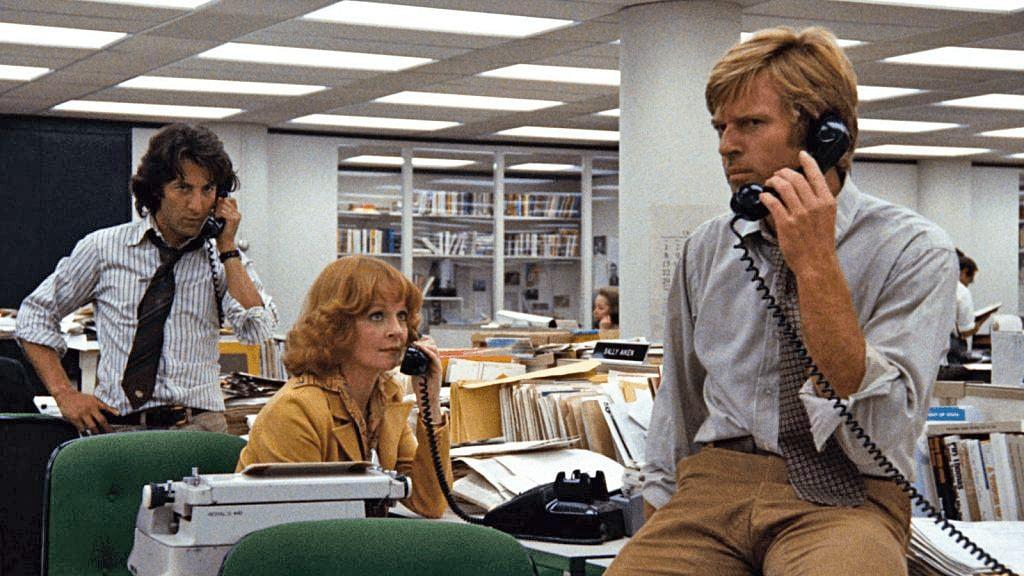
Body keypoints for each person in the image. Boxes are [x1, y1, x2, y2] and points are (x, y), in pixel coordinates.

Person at [608, 27, 957, 576]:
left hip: (846, 491)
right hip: (715, 484)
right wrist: (661, 507)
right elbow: (681, 396)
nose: (727, 144)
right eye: (721, 127)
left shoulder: (914, 250)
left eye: (750, 124)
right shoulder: (709, 246)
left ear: (825, 134)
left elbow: (878, 434)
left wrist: (815, 261)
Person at [17, 124, 277, 434]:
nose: (196, 206)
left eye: (207, 190)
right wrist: (64, 394)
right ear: (156, 190)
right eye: (183, 188)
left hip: (198, 426)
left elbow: (257, 330)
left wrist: (228, 248)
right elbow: (35, 315)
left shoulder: (221, 258)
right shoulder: (104, 248)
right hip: (118, 425)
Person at [235, 255, 452, 519]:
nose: (397, 331)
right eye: (377, 316)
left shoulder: (386, 395)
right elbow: (306, 532)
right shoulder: (295, 411)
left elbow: (429, 502)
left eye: (402, 316)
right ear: (336, 326)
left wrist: (430, 406)